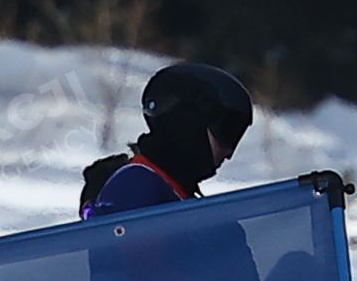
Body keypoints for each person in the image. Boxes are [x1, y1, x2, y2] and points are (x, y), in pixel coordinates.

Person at [80, 63, 255, 219]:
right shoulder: (137, 185)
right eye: (227, 132)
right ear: (188, 125)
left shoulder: (174, 191)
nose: (228, 153)